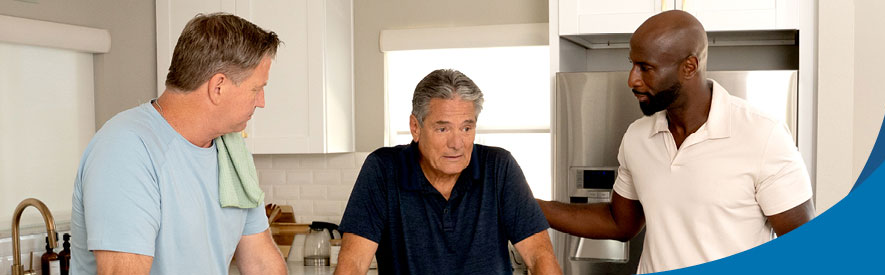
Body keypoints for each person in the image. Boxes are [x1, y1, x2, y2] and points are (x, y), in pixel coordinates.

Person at [537, 10, 815, 274]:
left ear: (689, 67)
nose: (632, 79)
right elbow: (619, 222)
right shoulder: (637, 137)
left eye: (646, 67)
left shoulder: (762, 135)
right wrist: (527, 204)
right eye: (632, 64)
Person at [70, 13, 286, 275]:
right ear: (218, 86)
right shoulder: (125, 150)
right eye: (256, 89)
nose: (261, 101)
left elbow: (261, 264)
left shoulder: (232, 151)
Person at [335, 69, 561, 275]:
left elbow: (540, 256)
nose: (457, 143)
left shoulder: (499, 166)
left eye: (466, 128)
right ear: (416, 127)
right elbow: (353, 264)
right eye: (443, 128)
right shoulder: (383, 169)